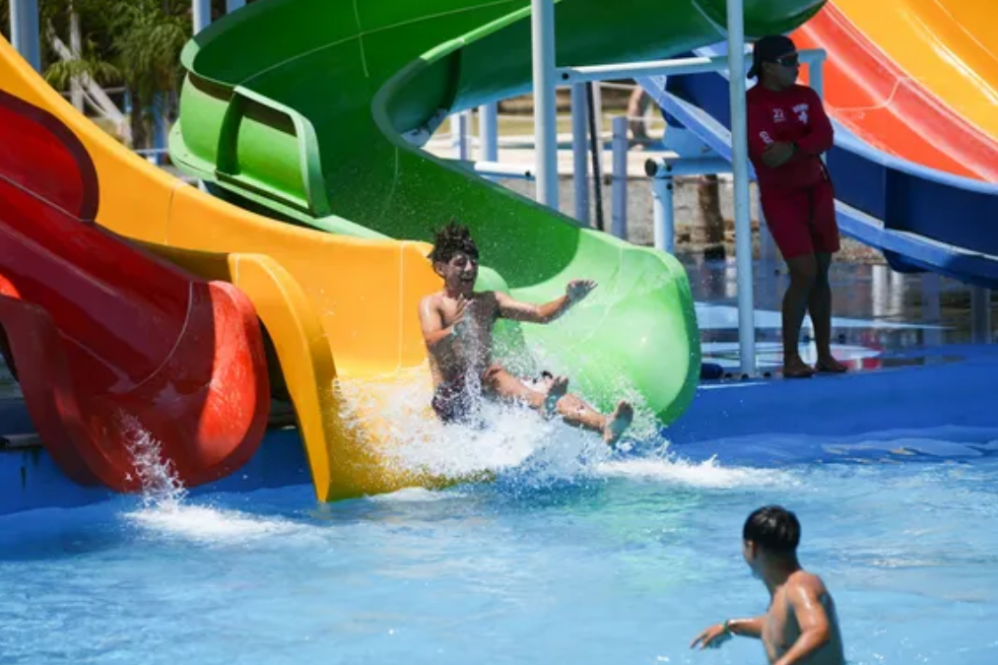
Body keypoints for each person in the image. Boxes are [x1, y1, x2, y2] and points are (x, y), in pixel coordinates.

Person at [417, 221, 633, 443]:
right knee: (495, 374)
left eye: (474, 262)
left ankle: (603, 424)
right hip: (455, 398)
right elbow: (432, 341)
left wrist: (569, 299)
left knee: (546, 385)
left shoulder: (489, 301)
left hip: (488, 389)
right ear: (441, 268)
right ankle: (543, 404)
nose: (470, 269)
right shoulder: (432, 304)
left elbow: (540, 314)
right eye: (460, 263)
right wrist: (454, 330)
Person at [747, 35, 848, 379]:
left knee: (820, 273)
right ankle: (790, 356)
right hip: (781, 198)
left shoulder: (806, 96)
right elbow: (769, 157)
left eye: (797, 60)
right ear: (767, 67)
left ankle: (823, 354)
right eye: (789, 61)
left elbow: (825, 136)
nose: (797, 66)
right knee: (803, 271)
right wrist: (804, 144)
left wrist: (792, 145)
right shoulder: (751, 103)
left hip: (817, 190)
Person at [690, 506, 845, 665]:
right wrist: (731, 627)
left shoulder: (801, 584)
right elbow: (779, 628)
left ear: (752, 547)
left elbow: (818, 631)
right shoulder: (785, 593)